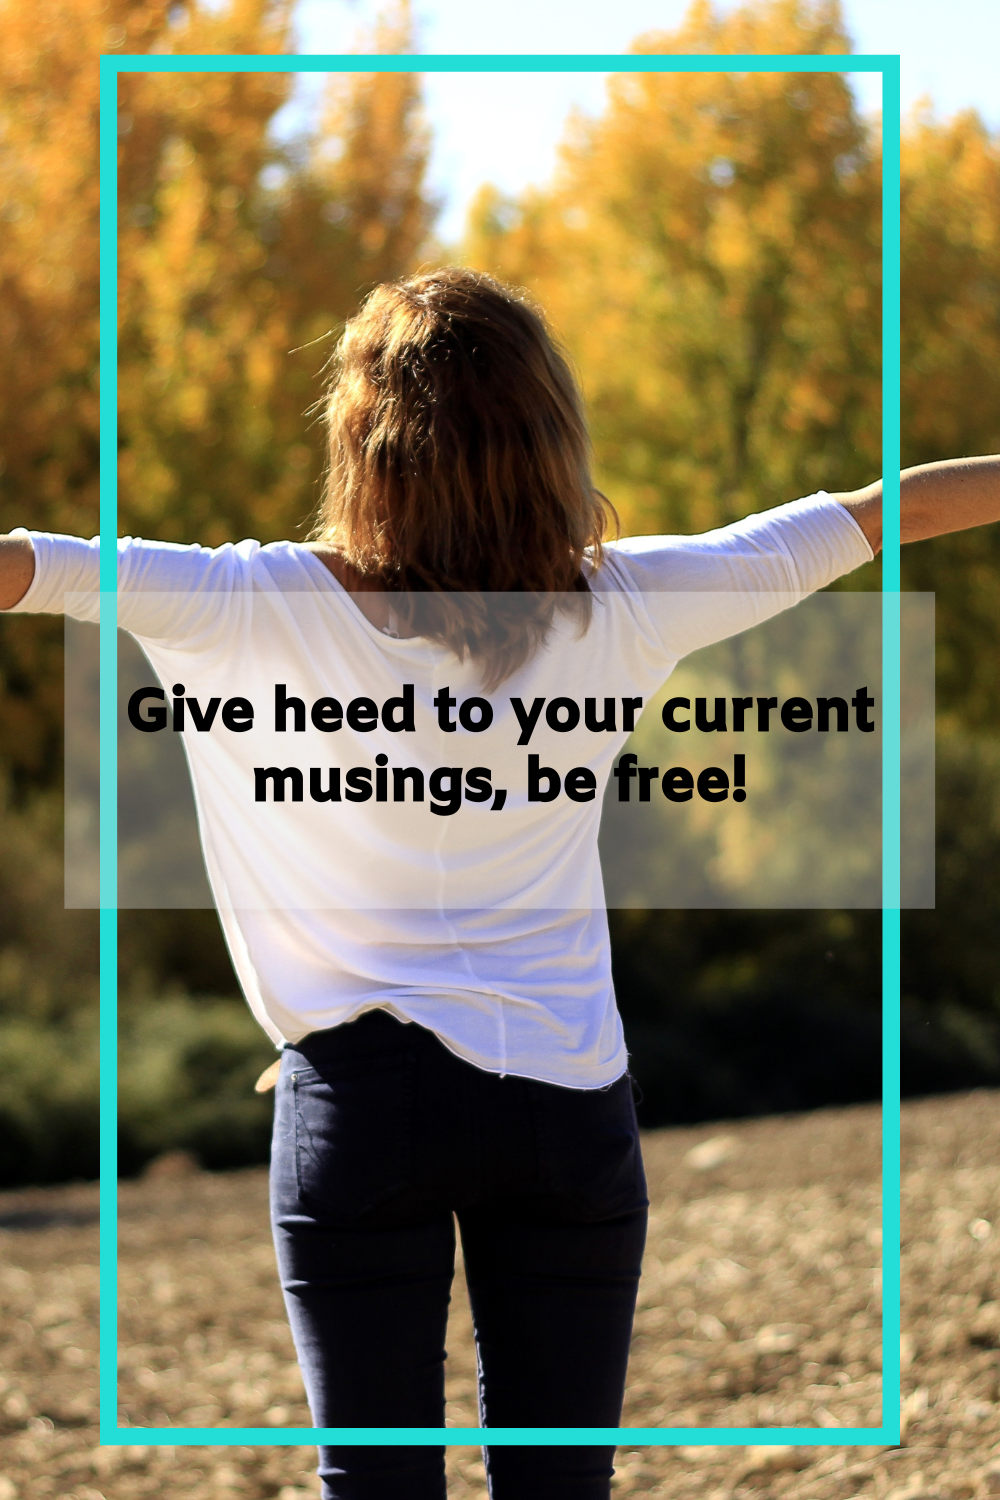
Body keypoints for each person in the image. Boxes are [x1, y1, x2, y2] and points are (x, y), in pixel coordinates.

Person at [1, 267, 998, 1500]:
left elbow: (18, 566)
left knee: (373, 1483)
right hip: (566, 1104)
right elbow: (878, 509)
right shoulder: (628, 604)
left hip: (360, 1109)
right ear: (549, 436)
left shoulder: (236, 603)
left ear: (361, 445)